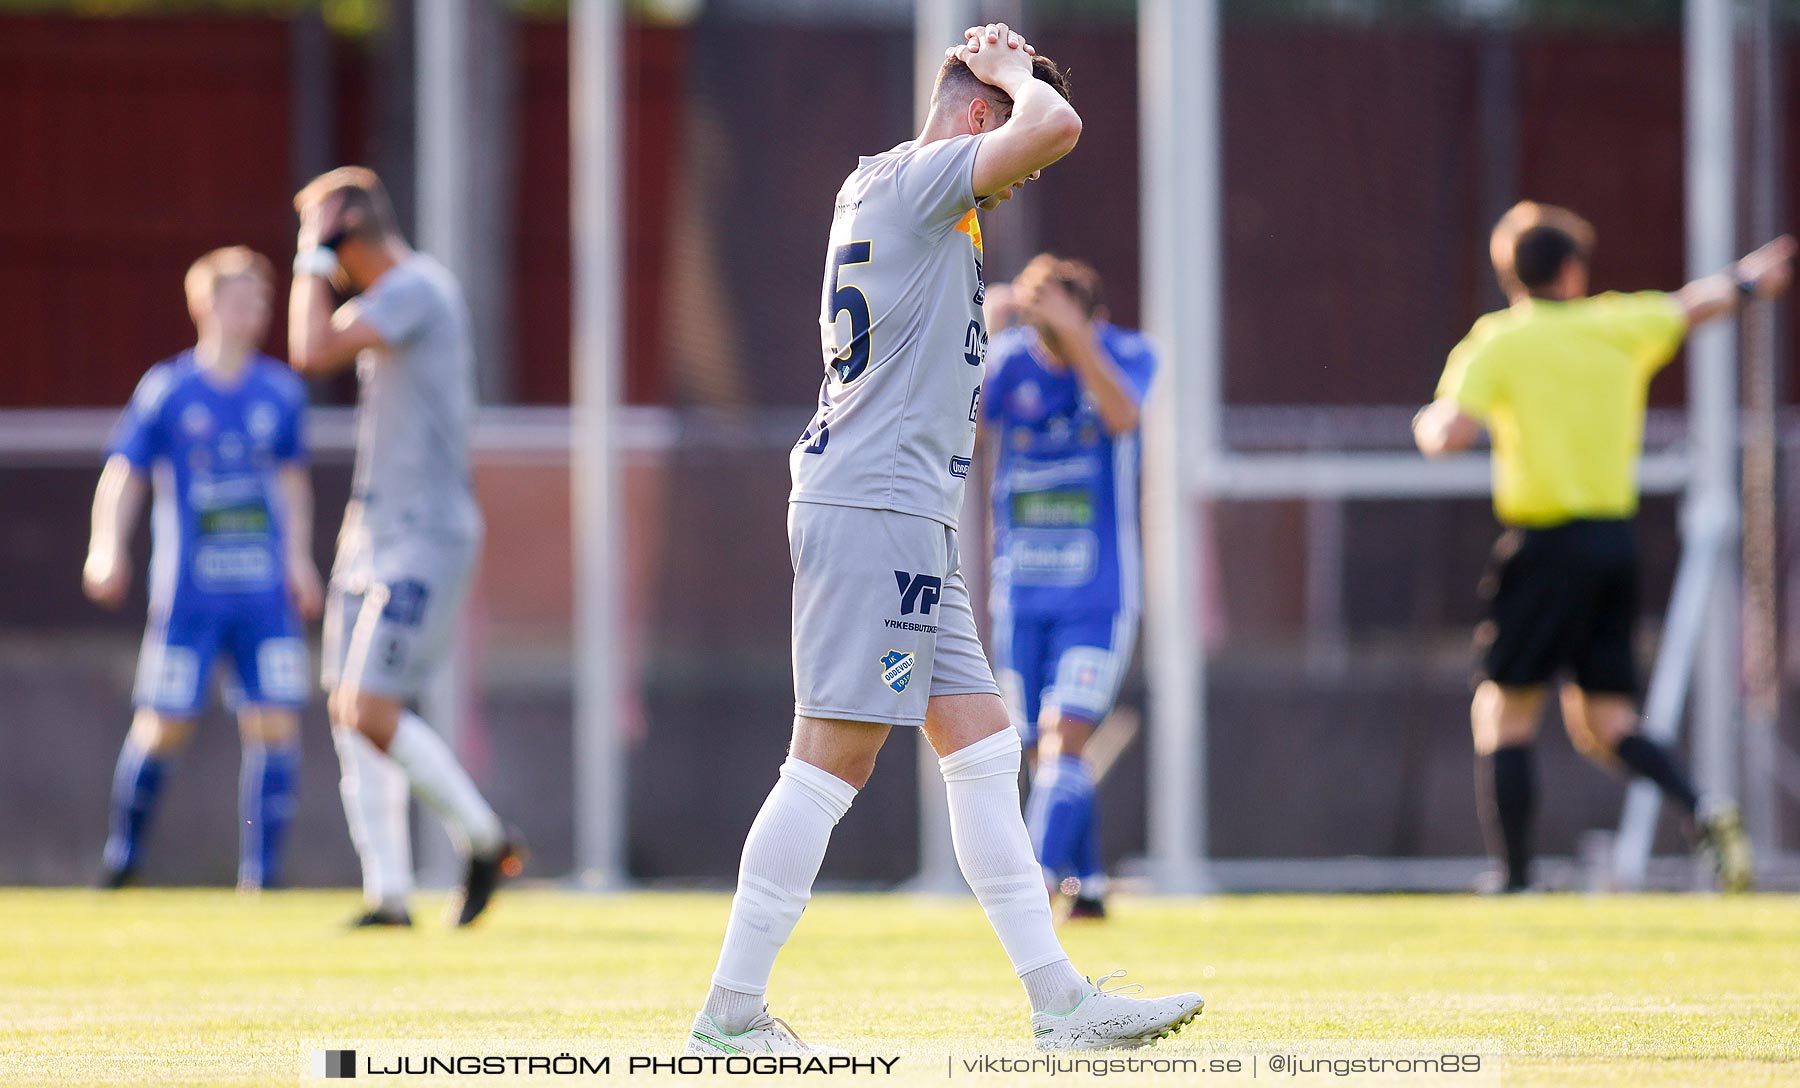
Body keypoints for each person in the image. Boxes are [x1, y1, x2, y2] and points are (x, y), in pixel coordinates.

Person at [686, 24, 1201, 1055]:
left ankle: (1060, 1001)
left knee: (984, 747)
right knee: (830, 762)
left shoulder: (896, 183)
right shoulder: (927, 177)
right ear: (977, 115)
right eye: (1002, 142)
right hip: (873, 507)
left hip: (907, 513)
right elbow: (1057, 124)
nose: (1011, 185)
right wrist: (1014, 72)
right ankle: (731, 1010)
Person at [1413, 201, 1794, 893]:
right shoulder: (1615, 324)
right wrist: (1746, 282)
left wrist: (1430, 424)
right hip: (1613, 544)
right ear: (1572, 269)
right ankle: (1704, 808)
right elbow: (1689, 306)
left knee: (1504, 707)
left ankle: (1517, 879)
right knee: (1607, 720)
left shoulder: (1500, 340)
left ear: (1513, 274)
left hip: (1545, 544)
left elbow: (1451, 434)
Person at [287, 166, 519, 927]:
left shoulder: (419, 287)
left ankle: (486, 842)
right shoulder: (391, 299)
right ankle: (388, 894)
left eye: (319, 232)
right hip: (371, 530)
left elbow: (310, 347)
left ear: (346, 229)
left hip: (424, 532)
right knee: (346, 708)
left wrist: (309, 261)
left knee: (370, 705)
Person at [84, 246, 319, 892]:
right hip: (188, 594)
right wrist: (106, 545)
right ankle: (124, 857)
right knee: (163, 723)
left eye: (263, 301)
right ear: (205, 304)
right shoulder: (168, 389)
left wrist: (299, 559)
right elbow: (125, 473)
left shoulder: (280, 390)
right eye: (243, 298)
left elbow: (293, 484)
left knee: (275, 719)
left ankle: (263, 875)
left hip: (262, 594)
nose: (257, 312)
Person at [985, 255, 1153, 921]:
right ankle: (1091, 885)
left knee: (1064, 735)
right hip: (1021, 597)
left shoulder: (1125, 354)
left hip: (1096, 593)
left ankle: (1032, 887)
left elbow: (1122, 416)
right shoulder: (1008, 361)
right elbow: (962, 431)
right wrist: (981, 334)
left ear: (1095, 319)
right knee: (1034, 746)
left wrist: (1076, 339)